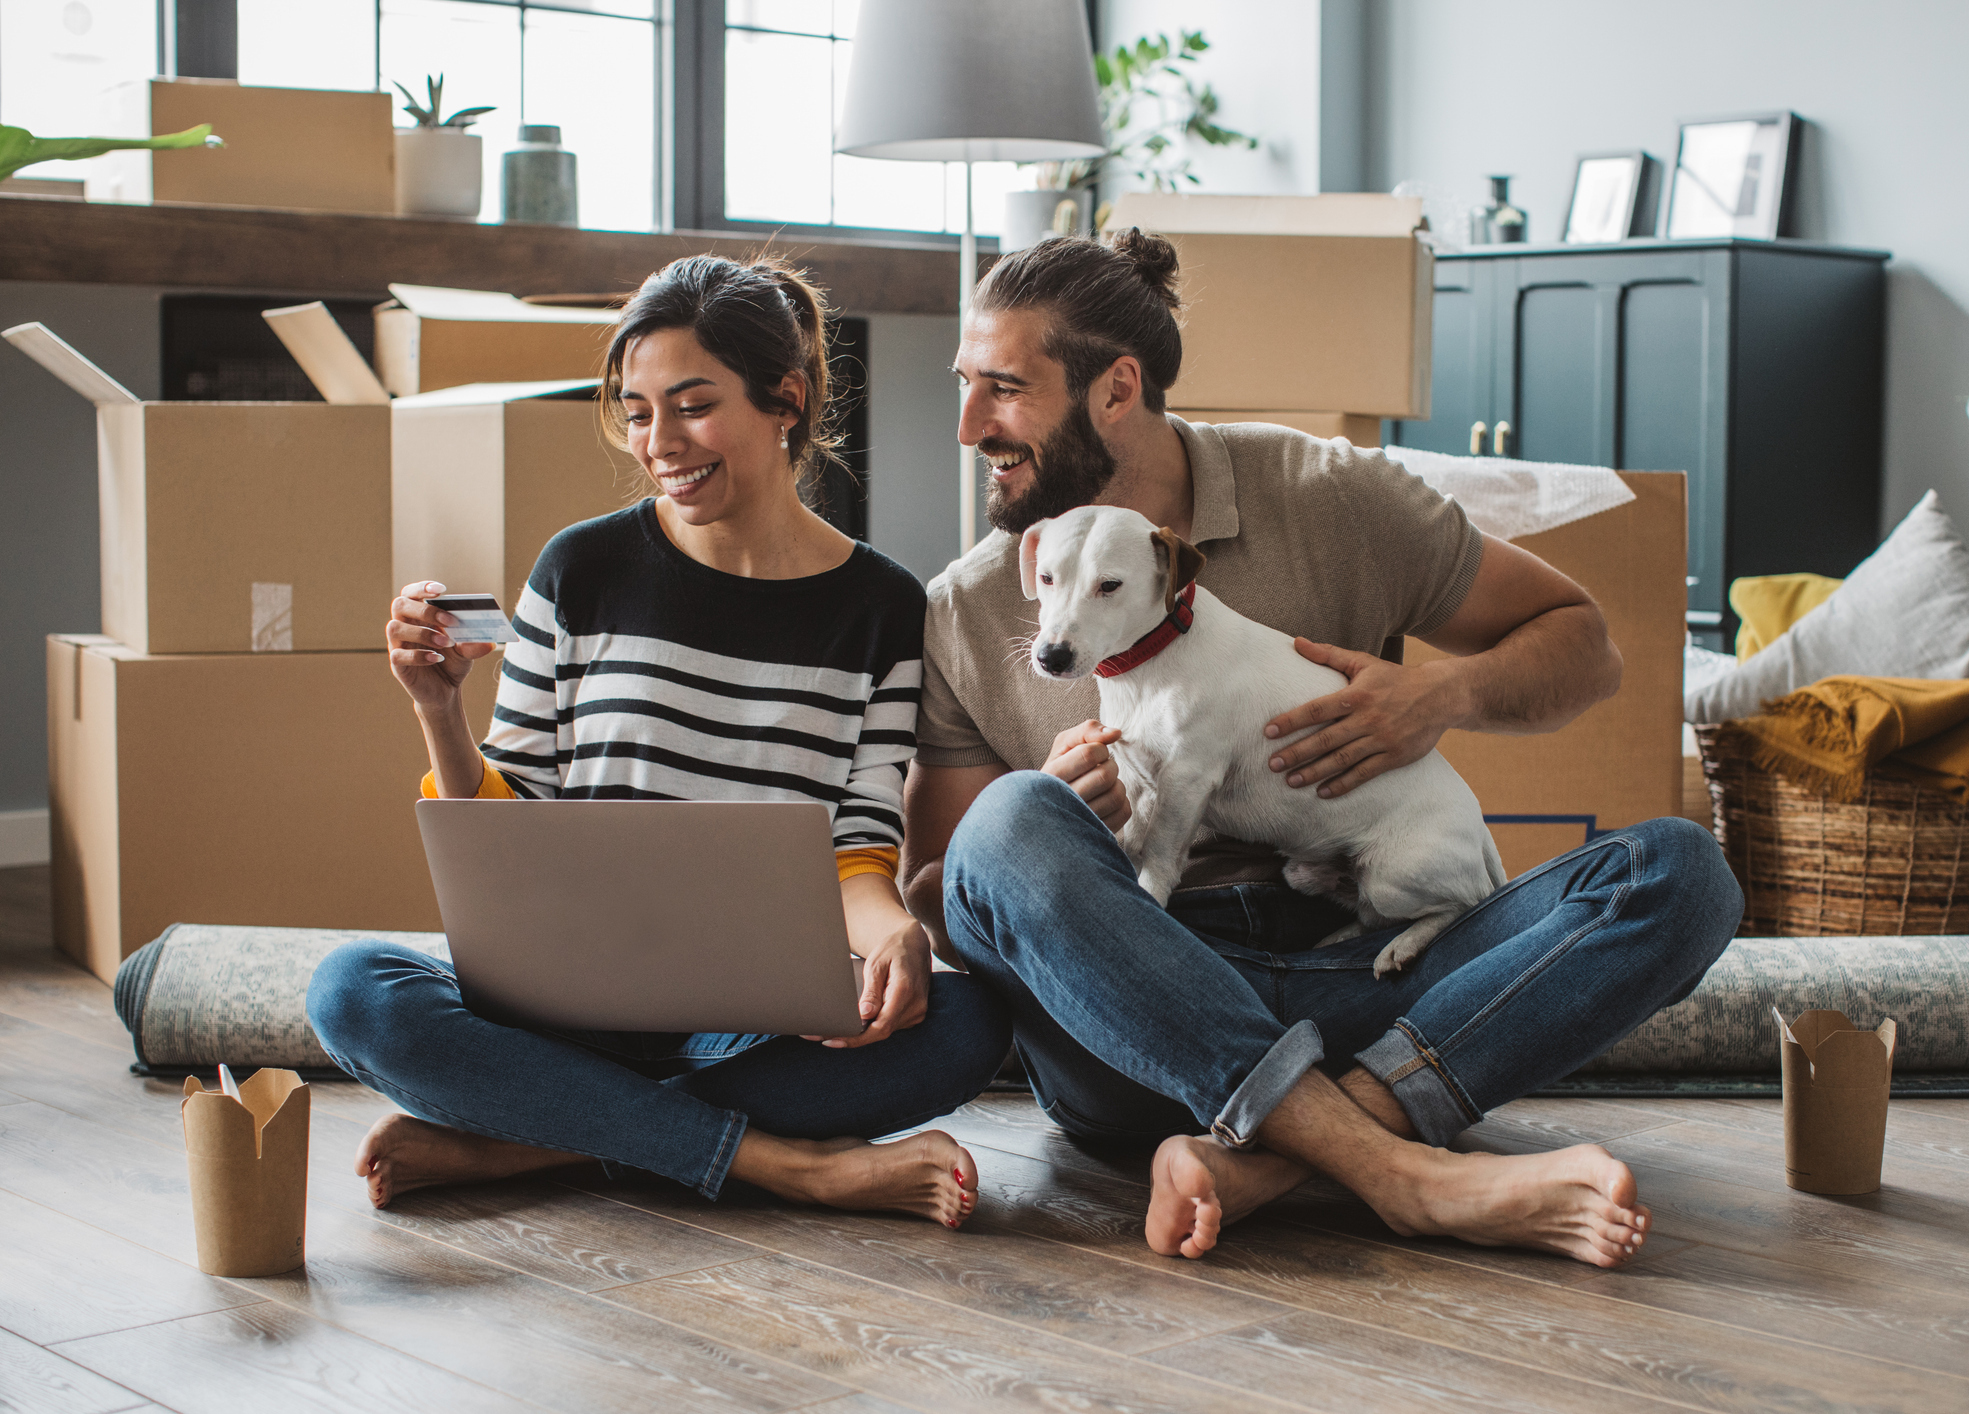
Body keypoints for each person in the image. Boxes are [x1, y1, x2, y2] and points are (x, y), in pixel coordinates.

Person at [901, 231, 1743, 1268]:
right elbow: (944, 891)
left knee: (1681, 872)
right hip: (1139, 1022)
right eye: (965, 386)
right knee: (1009, 823)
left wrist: (1442, 693)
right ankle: (1404, 1169)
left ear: (1117, 389)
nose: (966, 426)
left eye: (1002, 389)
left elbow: (1586, 646)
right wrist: (1056, 828)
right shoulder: (966, 607)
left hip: (1372, 963)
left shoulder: (1326, 492)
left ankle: (1273, 1156)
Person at [308, 254, 1010, 1224]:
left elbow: (855, 846)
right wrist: (437, 711)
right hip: (561, 1008)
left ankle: (529, 1143)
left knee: (971, 1020)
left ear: (787, 400)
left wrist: (889, 928)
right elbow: (510, 827)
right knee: (351, 990)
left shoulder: (883, 607)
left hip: (744, 1023)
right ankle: (785, 1166)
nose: (660, 442)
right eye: (637, 411)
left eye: (692, 404)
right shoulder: (579, 569)